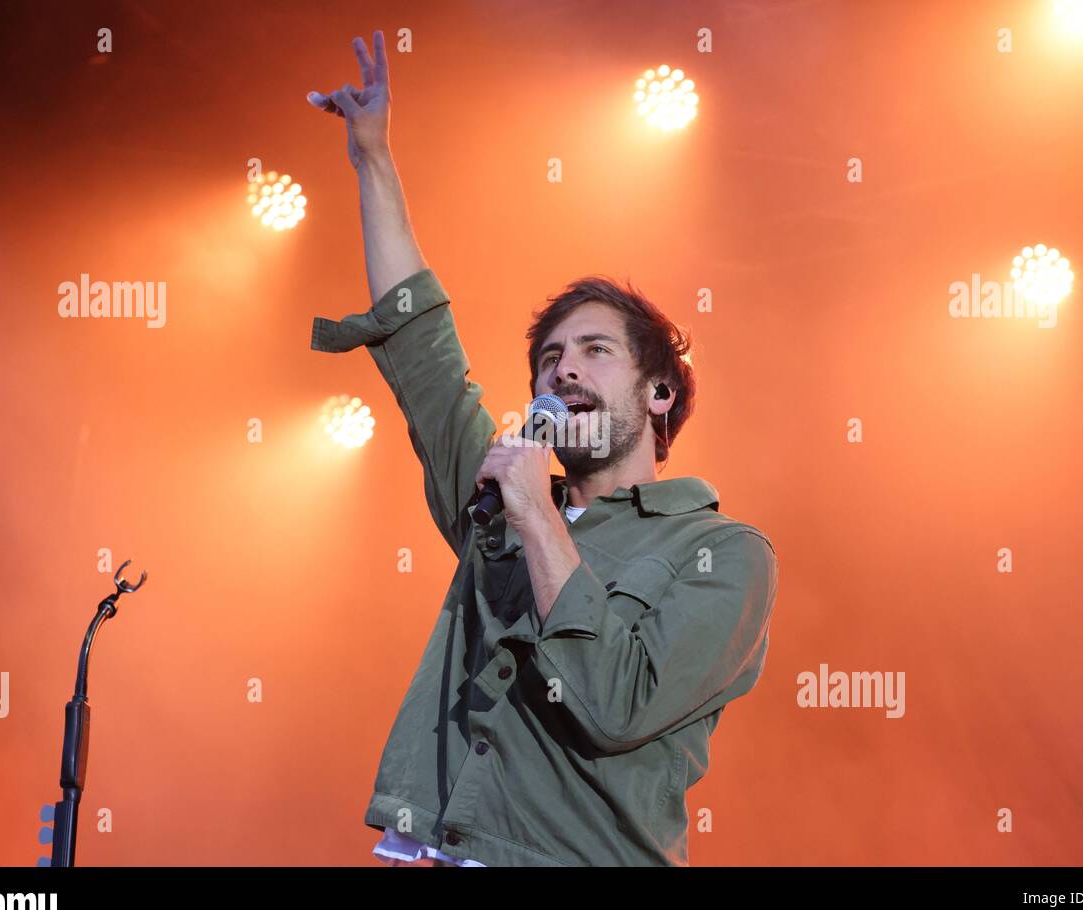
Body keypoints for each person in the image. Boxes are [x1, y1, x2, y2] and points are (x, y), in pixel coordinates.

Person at [306, 31, 778, 867]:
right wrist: (373, 159)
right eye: (551, 359)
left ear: (658, 392)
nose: (564, 368)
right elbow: (424, 350)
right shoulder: (500, 506)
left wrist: (532, 512)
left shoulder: (722, 553)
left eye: (596, 351)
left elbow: (613, 703)